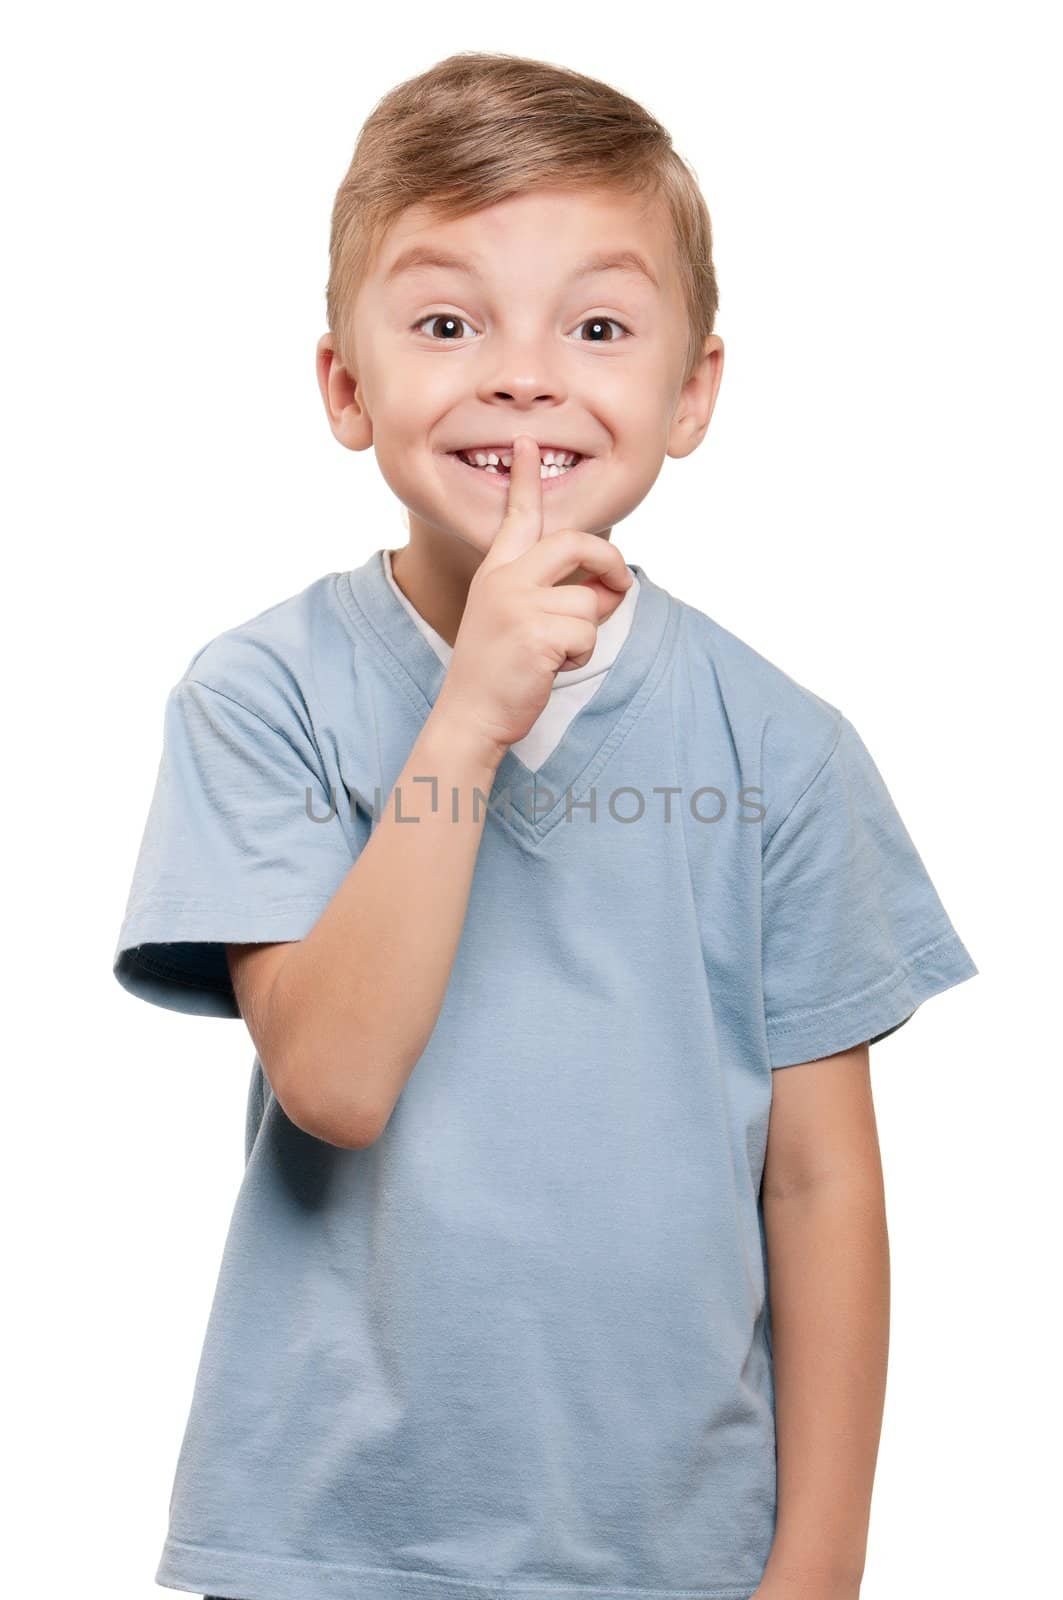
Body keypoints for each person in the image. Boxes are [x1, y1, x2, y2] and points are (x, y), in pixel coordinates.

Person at [112, 51, 978, 1600]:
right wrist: (468, 719)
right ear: (346, 385)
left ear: (691, 389)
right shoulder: (263, 696)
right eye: (448, 323)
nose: (523, 375)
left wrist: (822, 1564)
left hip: (671, 1554)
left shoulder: (782, 745)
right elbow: (334, 1078)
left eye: (595, 326)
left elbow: (821, 1182)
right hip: (328, 1543)